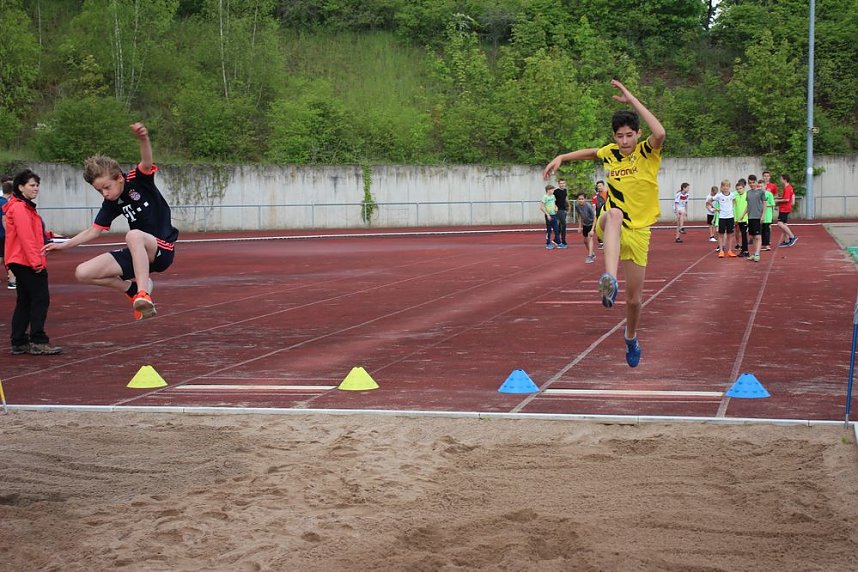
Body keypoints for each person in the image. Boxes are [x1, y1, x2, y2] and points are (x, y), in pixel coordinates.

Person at [544, 79, 666, 368]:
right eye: (619, 136)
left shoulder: (647, 152)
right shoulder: (610, 152)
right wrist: (563, 156)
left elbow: (659, 131)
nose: (624, 142)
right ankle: (609, 280)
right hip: (613, 223)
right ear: (614, 136)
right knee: (613, 214)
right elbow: (592, 152)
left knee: (635, 300)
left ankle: (631, 336)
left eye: (629, 136)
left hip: (639, 231)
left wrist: (632, 99)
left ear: (637, 134)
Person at [45, 123, 178, 320]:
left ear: (119, 178)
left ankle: (143, 293)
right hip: (138, 252)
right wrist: (65, 245)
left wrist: (143, 139)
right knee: (83, 272)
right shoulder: (111, 203)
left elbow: (147, 162)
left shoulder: (137, 180)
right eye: (99, 191)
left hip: (162, 249)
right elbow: (93, 231)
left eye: (106, 187)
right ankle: (132, 290)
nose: (104, 194)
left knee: (133, 235)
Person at [4, 169, 62, 355]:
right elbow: (26, 238)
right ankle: (38, 340)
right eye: (32, 185)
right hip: (25, 261)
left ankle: (19, 340)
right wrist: (37, 262)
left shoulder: (23, 207)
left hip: (20, 260)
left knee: (25, 301)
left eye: (37, 185)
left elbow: (33, 234)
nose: (36, 188)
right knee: (40, 299)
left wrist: (50, 237)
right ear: (20, 187)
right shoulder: (20, 208)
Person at [707, 179, 736, 258]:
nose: (725, 187)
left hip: (730, 217)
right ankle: (721, 250)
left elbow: (734, 201)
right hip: (722, 217)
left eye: (727, 186)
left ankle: (730, 250)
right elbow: (709, 201)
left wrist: (732, 209)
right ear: (721, 187)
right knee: (721, 234)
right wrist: (715, 208)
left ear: (729, 187)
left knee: (730, 234)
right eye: (724, 186)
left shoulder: (732, 195)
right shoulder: (719, 195)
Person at [742, 176, 766, 262]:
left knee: (758, 236)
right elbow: (748, 205)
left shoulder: (761, 192)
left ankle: (757, 254)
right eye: (750, 183)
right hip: (750, 217)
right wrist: (742, 215)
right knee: (752, 236)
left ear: (756, 182)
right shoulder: (748, 193)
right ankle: (755, 253)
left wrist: (763, 216)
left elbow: (764, 204)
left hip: (757, 217)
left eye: (753, 182)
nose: (752, 184)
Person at [775, 174, 798, 247]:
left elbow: (787, 199)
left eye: (781, 179)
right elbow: (791, 198)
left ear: (784, 179)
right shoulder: (789, 187)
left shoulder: (787, 188)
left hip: (784, 208)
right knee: (784, 224)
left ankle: (792, 236)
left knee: (779, 223)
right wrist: (779, 199)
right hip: (785, 208)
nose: (780, 180)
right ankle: (787, 240)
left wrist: (776, 201)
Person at [575, 191, 596, 263]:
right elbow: (579, 216)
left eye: (582, 199)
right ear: (577, 200)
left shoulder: (589, 206)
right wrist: (580, 226)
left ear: (585, 199)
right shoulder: (577, 206)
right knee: (585, 241)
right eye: (579, 199)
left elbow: (595, 218)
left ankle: (590, 256)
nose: (581, 200)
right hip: (585, 225)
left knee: (590, 239)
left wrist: (592, 229)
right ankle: (592, 253)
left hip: (591, 224)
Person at [539, 183, 560, 250]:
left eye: (553, 190)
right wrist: (547, 214)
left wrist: (556, 207)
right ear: (548, 190)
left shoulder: (553, 196)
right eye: (552, 190)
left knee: (556, 229)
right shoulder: (544, 197)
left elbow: (554, 204)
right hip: (549, 215)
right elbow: (541, 207)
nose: (553, 191)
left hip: (554, 215)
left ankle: (558, 242)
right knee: (549, 230)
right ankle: (548, 243)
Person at [1, 175, 13, 289]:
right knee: (9, 257)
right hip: (4, 234)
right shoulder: (6, 204)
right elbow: (4, 220)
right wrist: (10, 233)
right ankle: (12, 280)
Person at [733, 178, 749, 257]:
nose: (739, 190)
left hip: (745, 219)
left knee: (744, 235)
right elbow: (735, 208)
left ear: (744, 188)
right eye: (737, 189)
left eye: (740, 188)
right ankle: (744, 250)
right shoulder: (735, 196)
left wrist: (743, 216)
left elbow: (748, 206)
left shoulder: (747, 195)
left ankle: (745, 251)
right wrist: (735, 218)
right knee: (742, 234)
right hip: (738, 219)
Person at [553, 179, 570, 248]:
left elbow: (566, 198)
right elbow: (552, 199)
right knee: (564, 224)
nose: (562, 184)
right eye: (560, 183)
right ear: (558, 184)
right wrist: (555, 207)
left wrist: (569, 206)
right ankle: (563, 241)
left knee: (560, 225)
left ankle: (556, 239)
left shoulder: (565, 191)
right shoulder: (556, 191)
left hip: (563, 209)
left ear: (565, 184)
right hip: (558, 210)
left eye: (563, 183)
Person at [761, 179, 776, 251]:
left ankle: (767, 244)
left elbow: (773, 204)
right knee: (761, 230)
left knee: (767, 230)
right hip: (760, 216)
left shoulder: (769, 194)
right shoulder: (758, 194)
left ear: (765, 186)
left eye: (761, 186)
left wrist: (765, 205)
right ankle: (762, 244)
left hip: (767, 216)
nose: (760, 188)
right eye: (759, 186)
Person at [592, 180, 608, 249]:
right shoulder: (595, 197)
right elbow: (594, 206)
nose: (599, 187)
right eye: (598, 186)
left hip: (608, 214)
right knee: (600, 229)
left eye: (600, 186)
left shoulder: (608, 194)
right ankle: (602, 242)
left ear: (603, 186)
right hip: (599, 215)